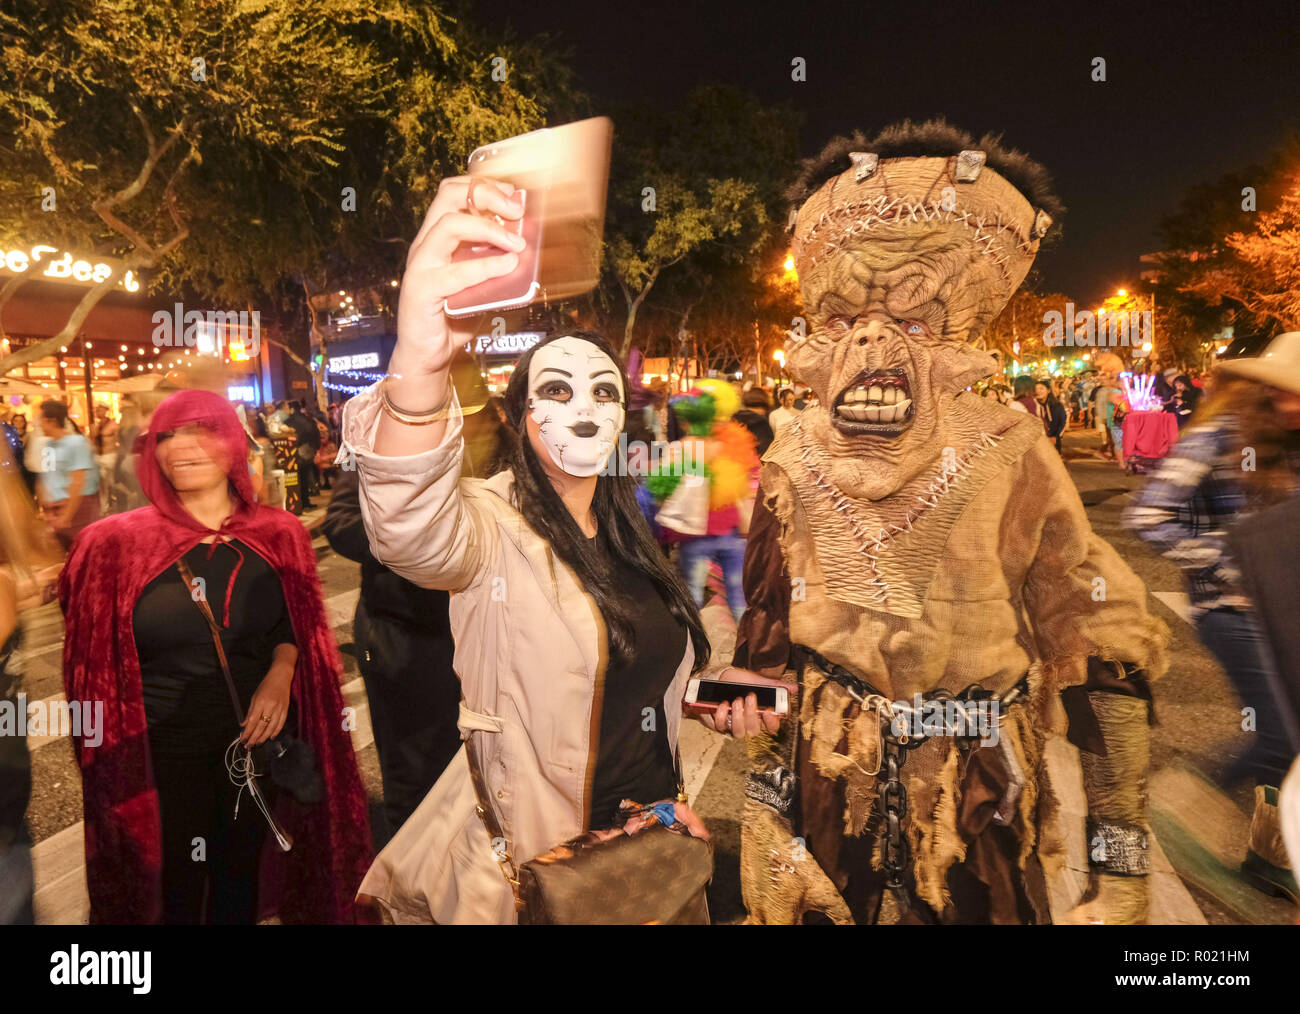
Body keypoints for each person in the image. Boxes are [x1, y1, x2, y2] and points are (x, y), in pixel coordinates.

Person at [734, 120, 1168, 925]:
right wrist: (763, 815)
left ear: (956, 341)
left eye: (914, 324)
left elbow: (1104, 642)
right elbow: (766, 647)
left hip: (977, 801)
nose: (873, 344)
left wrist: (1125, 866)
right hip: (831, 791)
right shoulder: (791, 456)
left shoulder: (1011, 448)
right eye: (845, 323)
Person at [343, 174, 784, 923]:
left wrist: (707, 689)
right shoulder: (485, 526)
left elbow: (633, 659)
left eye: (604, 392)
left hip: (656, 846)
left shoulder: (632, 528)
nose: (584, 407)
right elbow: (405, 523)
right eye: (556, 390)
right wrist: (419, 360)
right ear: (518, 417)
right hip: (543, 871)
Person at [58, 389, 374, 924]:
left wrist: (282, 671)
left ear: (232, 442)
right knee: (174, 884)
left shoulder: (281, 532)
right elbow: (91, 659)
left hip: (255, 745)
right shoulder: (113, 544)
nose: (181, 447)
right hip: (158, 754)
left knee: (239, 876)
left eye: (199, 430)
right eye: (166, 436)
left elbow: (294, 626)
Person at [1125, 332, 1300, 902]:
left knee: (1289, 740)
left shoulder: (1290, 443)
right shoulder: (1218, 437)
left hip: (1284, 608)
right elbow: (1148, 515)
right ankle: (1181, 805)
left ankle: (1269, 854)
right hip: (1231, 611)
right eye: (1290, 393)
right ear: (1263, 390)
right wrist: (1234, 564)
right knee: (1279, 737)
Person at [322, 464, 461, 837]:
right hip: (406, 637)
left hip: (489, 633)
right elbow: (340, 524)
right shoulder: (378, 446)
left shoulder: (505, 436)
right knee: (415, 778)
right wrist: (414, 533)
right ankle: (414, 882)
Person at [36, 400, 100, 551]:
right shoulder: (49, 445)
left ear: (51, 421)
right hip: (57, 506)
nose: (38, 424)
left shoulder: (77, 443)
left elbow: (78, 481)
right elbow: (47, 477)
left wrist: (66, 516)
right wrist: (49, 512)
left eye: (41, 420)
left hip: (78, 506)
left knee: (81, 550)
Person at [285, 401, 322, 508]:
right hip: (308, 451)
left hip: (295, 452)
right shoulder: (308, 419)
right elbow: (316, 434)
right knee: (305, 476)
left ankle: (299, 501)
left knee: (298, 478)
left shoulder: (289, 421)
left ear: (292, 409)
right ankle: (306, 500)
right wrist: (316, 449)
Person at [1036, 379, 1068, 453]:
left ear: (1048, 390)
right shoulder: (1033, 406)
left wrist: (1056, 437)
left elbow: (1063, 423)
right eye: (1036, 389)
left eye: (1041, 388)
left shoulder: (1057, 406)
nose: (1038, 391)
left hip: (1054, 440)